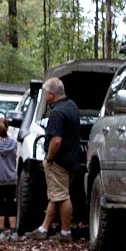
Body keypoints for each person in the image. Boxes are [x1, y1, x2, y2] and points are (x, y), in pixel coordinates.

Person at [29, 77, 80, 240]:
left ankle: (66, 232)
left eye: (45, 93)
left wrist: (49, 158)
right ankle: (44, 229)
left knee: (62, 196)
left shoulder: (57, 112)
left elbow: (56, 140)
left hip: (59, 161)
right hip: (72, 159)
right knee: (56, 195)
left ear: (51, 94)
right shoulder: (72, 106)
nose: (44, 96)